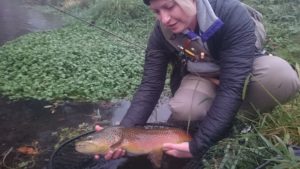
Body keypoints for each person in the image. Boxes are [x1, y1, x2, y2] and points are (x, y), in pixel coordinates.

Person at [98, 0, 300, 163]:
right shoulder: (162, 32)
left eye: (169, 6)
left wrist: (199, 144)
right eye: (157, 12)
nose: (165, 19)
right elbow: (150, 85)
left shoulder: (231, 13)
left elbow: (232, 86)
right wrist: (121, 133)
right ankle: (215, 121)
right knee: (184, 109)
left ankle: (238, 121)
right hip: (202, 76)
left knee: (282, 76)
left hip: (240, 73)